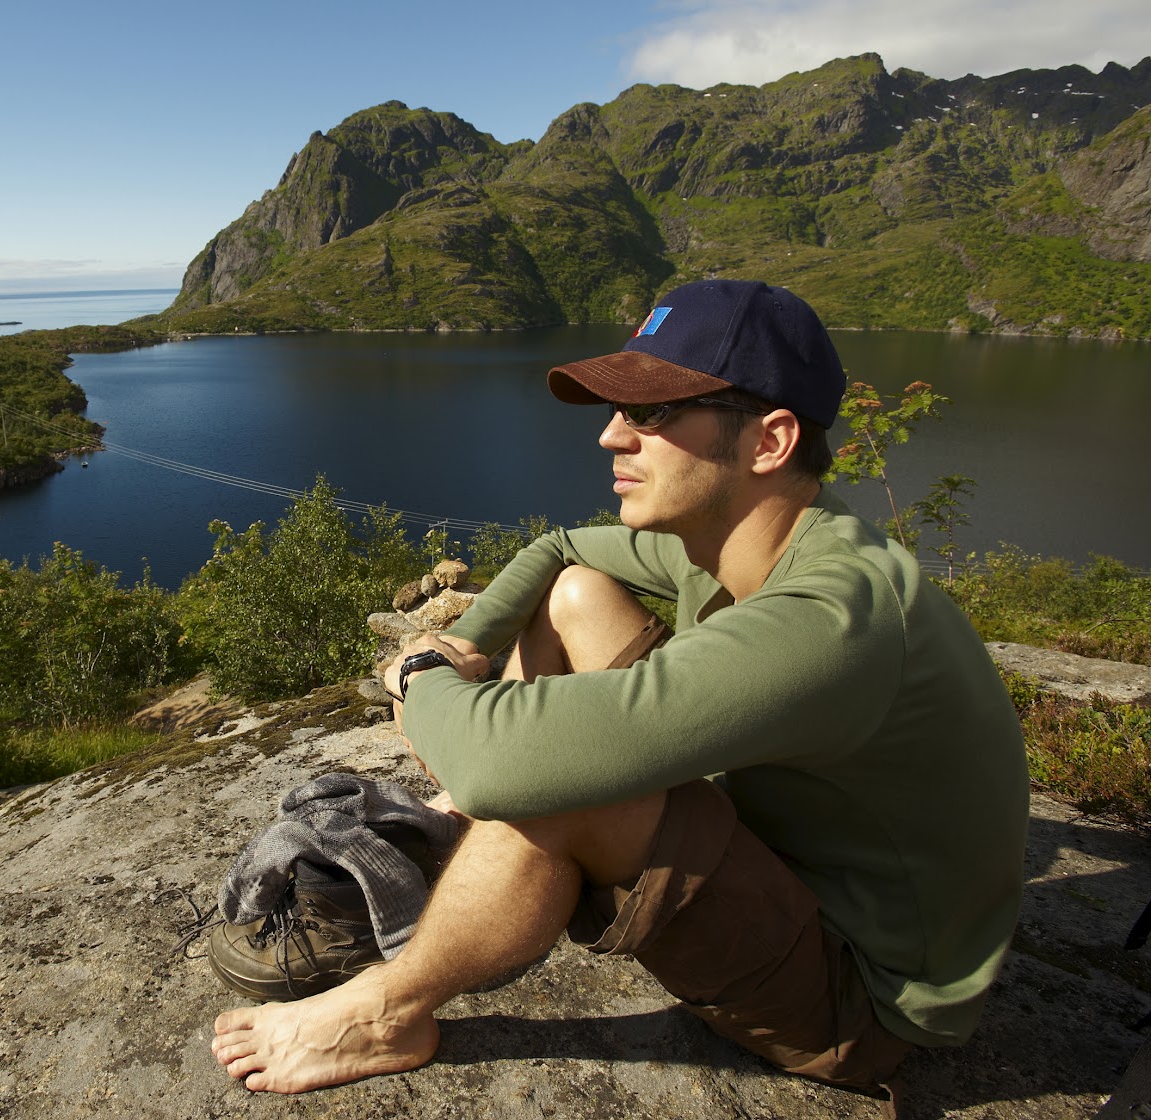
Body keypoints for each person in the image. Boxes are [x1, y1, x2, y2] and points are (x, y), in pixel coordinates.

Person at [209, 279, 1030, 1100]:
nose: (610, 436)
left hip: (859, 999)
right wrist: (467, 642)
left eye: (652, 413)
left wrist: (420, 675)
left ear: (770, 441)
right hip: (788, 857)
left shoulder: (829, 614)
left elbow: (521, 763)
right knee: (572, 592)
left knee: (557, 776)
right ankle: (488, 838)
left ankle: (387, 1011)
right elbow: (559, 548)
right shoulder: (750, 537)